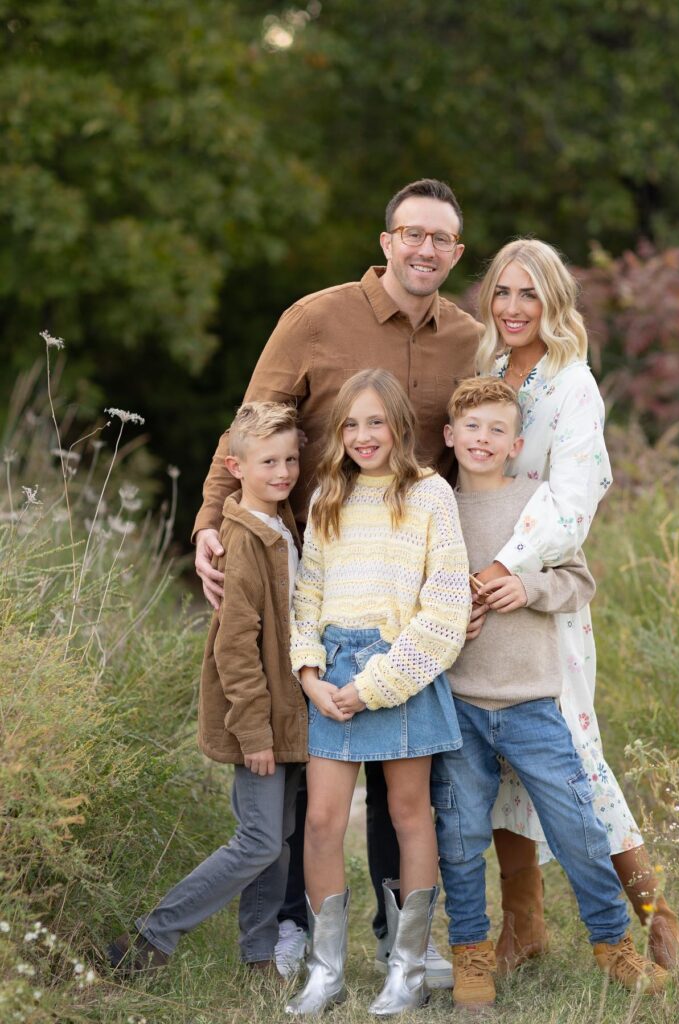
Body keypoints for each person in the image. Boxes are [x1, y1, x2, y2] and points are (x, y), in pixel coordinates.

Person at [191, 178, 480, 985]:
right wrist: (212, 520)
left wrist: (469, 581)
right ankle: (289, 926)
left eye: (441, 240)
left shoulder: (468, 338)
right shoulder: (315, 318)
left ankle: (402, 941)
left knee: (405, 777)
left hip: (407, 577)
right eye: (410, 234)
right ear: (386, 240)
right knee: (298, 758)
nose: (425, 250)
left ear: (455, 255)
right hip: (307, 559)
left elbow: (476, 449)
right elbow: (250, 423)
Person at [471, 239, 679, 971]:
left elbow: (575, 495)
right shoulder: (488, 369)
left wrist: (511, 566)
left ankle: (657, 919)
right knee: (499, 759)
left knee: (572, 752)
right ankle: (524, 927)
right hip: (481, 594)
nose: (512, 308)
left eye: (529, 294)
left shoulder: (574, 385)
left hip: (542, 592)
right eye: (503, 292)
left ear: (554, 302)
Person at [432, 377, 668, 1008]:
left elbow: (578, 582)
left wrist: (529, 589)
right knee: (458, 837)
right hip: (457, 704)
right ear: (450, 436)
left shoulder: (537, 506)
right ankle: (472, 953)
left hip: (533, 703)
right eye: (471, 428)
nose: (482, 440)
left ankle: (613, 942)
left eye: (496, 431)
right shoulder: (436, 506)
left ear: (516, 444)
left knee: (578, 826)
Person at [286, 369, 470, 1016]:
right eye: (351, 424)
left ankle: (408, 968)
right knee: (321, 820)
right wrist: (312, 676)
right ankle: (326, 971)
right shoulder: (327, 496)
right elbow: (306, 594)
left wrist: (375, 686)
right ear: (339, 433)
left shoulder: (429, 495)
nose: (364, 436)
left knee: (409, 814)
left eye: (375, 422)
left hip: (402, 667)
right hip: (331, 674)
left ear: (399, 425)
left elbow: (445, 606)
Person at [108, 402, 307, 973]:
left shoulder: (279, 521)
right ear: (235, 466)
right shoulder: (242, 539)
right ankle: (151, 938)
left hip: (286, 712)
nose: (284, 471)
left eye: (291, 459)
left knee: (280, 838)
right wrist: (253, 730)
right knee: (260, 840)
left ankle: (259, 955)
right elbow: (234, 646)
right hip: (259, 718)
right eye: (269, 461)